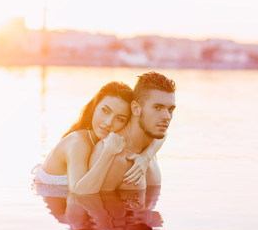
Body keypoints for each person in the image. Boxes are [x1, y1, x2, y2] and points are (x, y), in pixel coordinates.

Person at [33, 81, 165, 191]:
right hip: (48, 196)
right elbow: (79, 191)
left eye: (120, 118)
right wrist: (108, 152)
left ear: (127, 123)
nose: (108, 123)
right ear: (95, 106)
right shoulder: (78, 142)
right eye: (105, 111)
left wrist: (145, 157)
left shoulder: (111, 138)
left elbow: (161, 135)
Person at [79, 71, 176, 194]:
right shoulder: (115, 157)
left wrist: (146, 156)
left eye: (171, 109)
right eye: (157, 108)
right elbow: (92, 208)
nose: (167, 116)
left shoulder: (151, 145)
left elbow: (164, 136)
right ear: (135, 108)